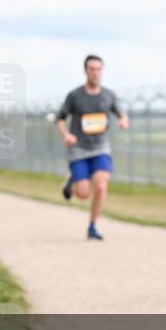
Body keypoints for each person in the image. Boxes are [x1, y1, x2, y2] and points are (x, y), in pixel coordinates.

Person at [56, 54, 129, 240]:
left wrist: (123, 120)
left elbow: (121, 113)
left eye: (98, 69)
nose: (95, 72)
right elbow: (59, 119)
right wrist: (66, 135)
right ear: (85, 71)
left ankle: (92, 226)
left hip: (101, 148)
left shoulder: (108, 95)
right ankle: (71, 185)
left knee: (102, 187)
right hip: (79, 149)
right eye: (92, 69)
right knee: (82, 193)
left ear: (102, 71)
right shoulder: (75, 96)